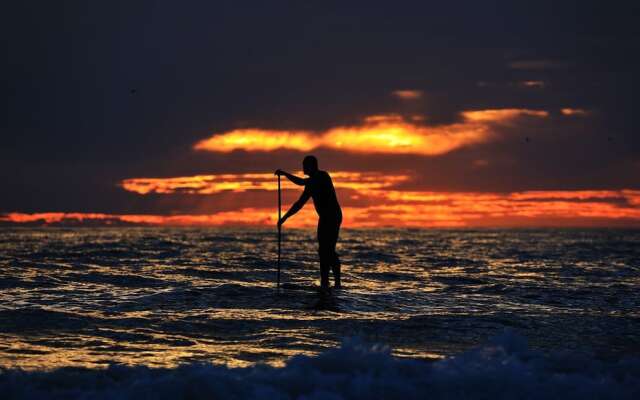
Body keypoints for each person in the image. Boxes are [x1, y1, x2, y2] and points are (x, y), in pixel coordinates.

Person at [275, 156, 343, 290]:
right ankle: (325, 282)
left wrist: (284, 174)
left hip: (333, 217)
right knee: (323, 250)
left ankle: (337, 283)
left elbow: (301, 182)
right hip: (324, 218)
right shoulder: (311, 185)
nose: (303, 168)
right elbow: (299, 204)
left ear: (312, 166)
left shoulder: (322, 176)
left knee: (328, 250)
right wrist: (284, 218)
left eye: (305, 165)